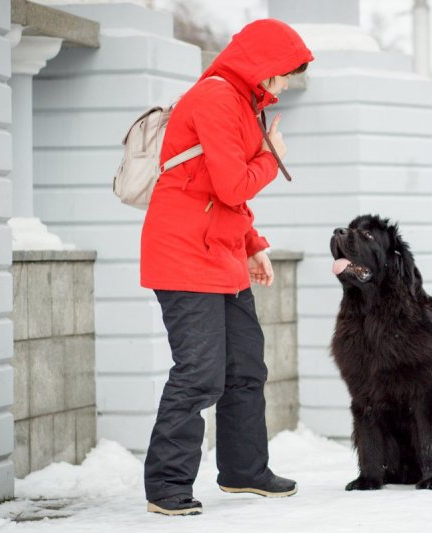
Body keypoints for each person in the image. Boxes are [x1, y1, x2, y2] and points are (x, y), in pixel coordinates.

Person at [139, 19, 313, 516]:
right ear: (261, 65)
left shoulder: (241, 103)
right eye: (282, 74)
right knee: (199, 374)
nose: (283, 85)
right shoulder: (215, 97)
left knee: (245, 368)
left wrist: (253, 243)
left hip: (223, 254)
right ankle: (167, 487)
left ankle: (244, 471)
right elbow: (233, 185)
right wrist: (272, 157)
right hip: (183, 255)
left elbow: (221, 193)